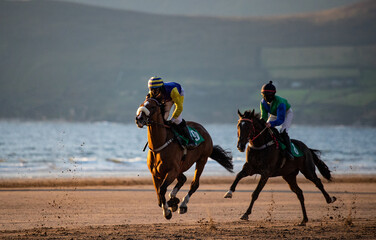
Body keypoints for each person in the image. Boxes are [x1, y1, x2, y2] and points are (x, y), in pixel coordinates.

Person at [147, 76, 195, 148]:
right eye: (151, 90)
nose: (153, 92)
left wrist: (173, 119)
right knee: (163, 118)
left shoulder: (173, 91)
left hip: (178, 93)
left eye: (155, 90)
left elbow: (179, 107)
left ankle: (191, 140)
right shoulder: (152, 93)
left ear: (160, 88)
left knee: (177, 120)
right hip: (166, 97)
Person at [260, 81, 294, 160]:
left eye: (268, 96)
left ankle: (289, 152)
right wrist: (262, 123)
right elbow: (264, 117)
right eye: (264, 95)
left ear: (273, 95)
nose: (266, 98)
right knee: (266, 129)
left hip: (286, 114)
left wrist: (271, 123)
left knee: (283, 131)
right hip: (274, 114)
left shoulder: (280, 102)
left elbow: (280, 120)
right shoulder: (262, 102)